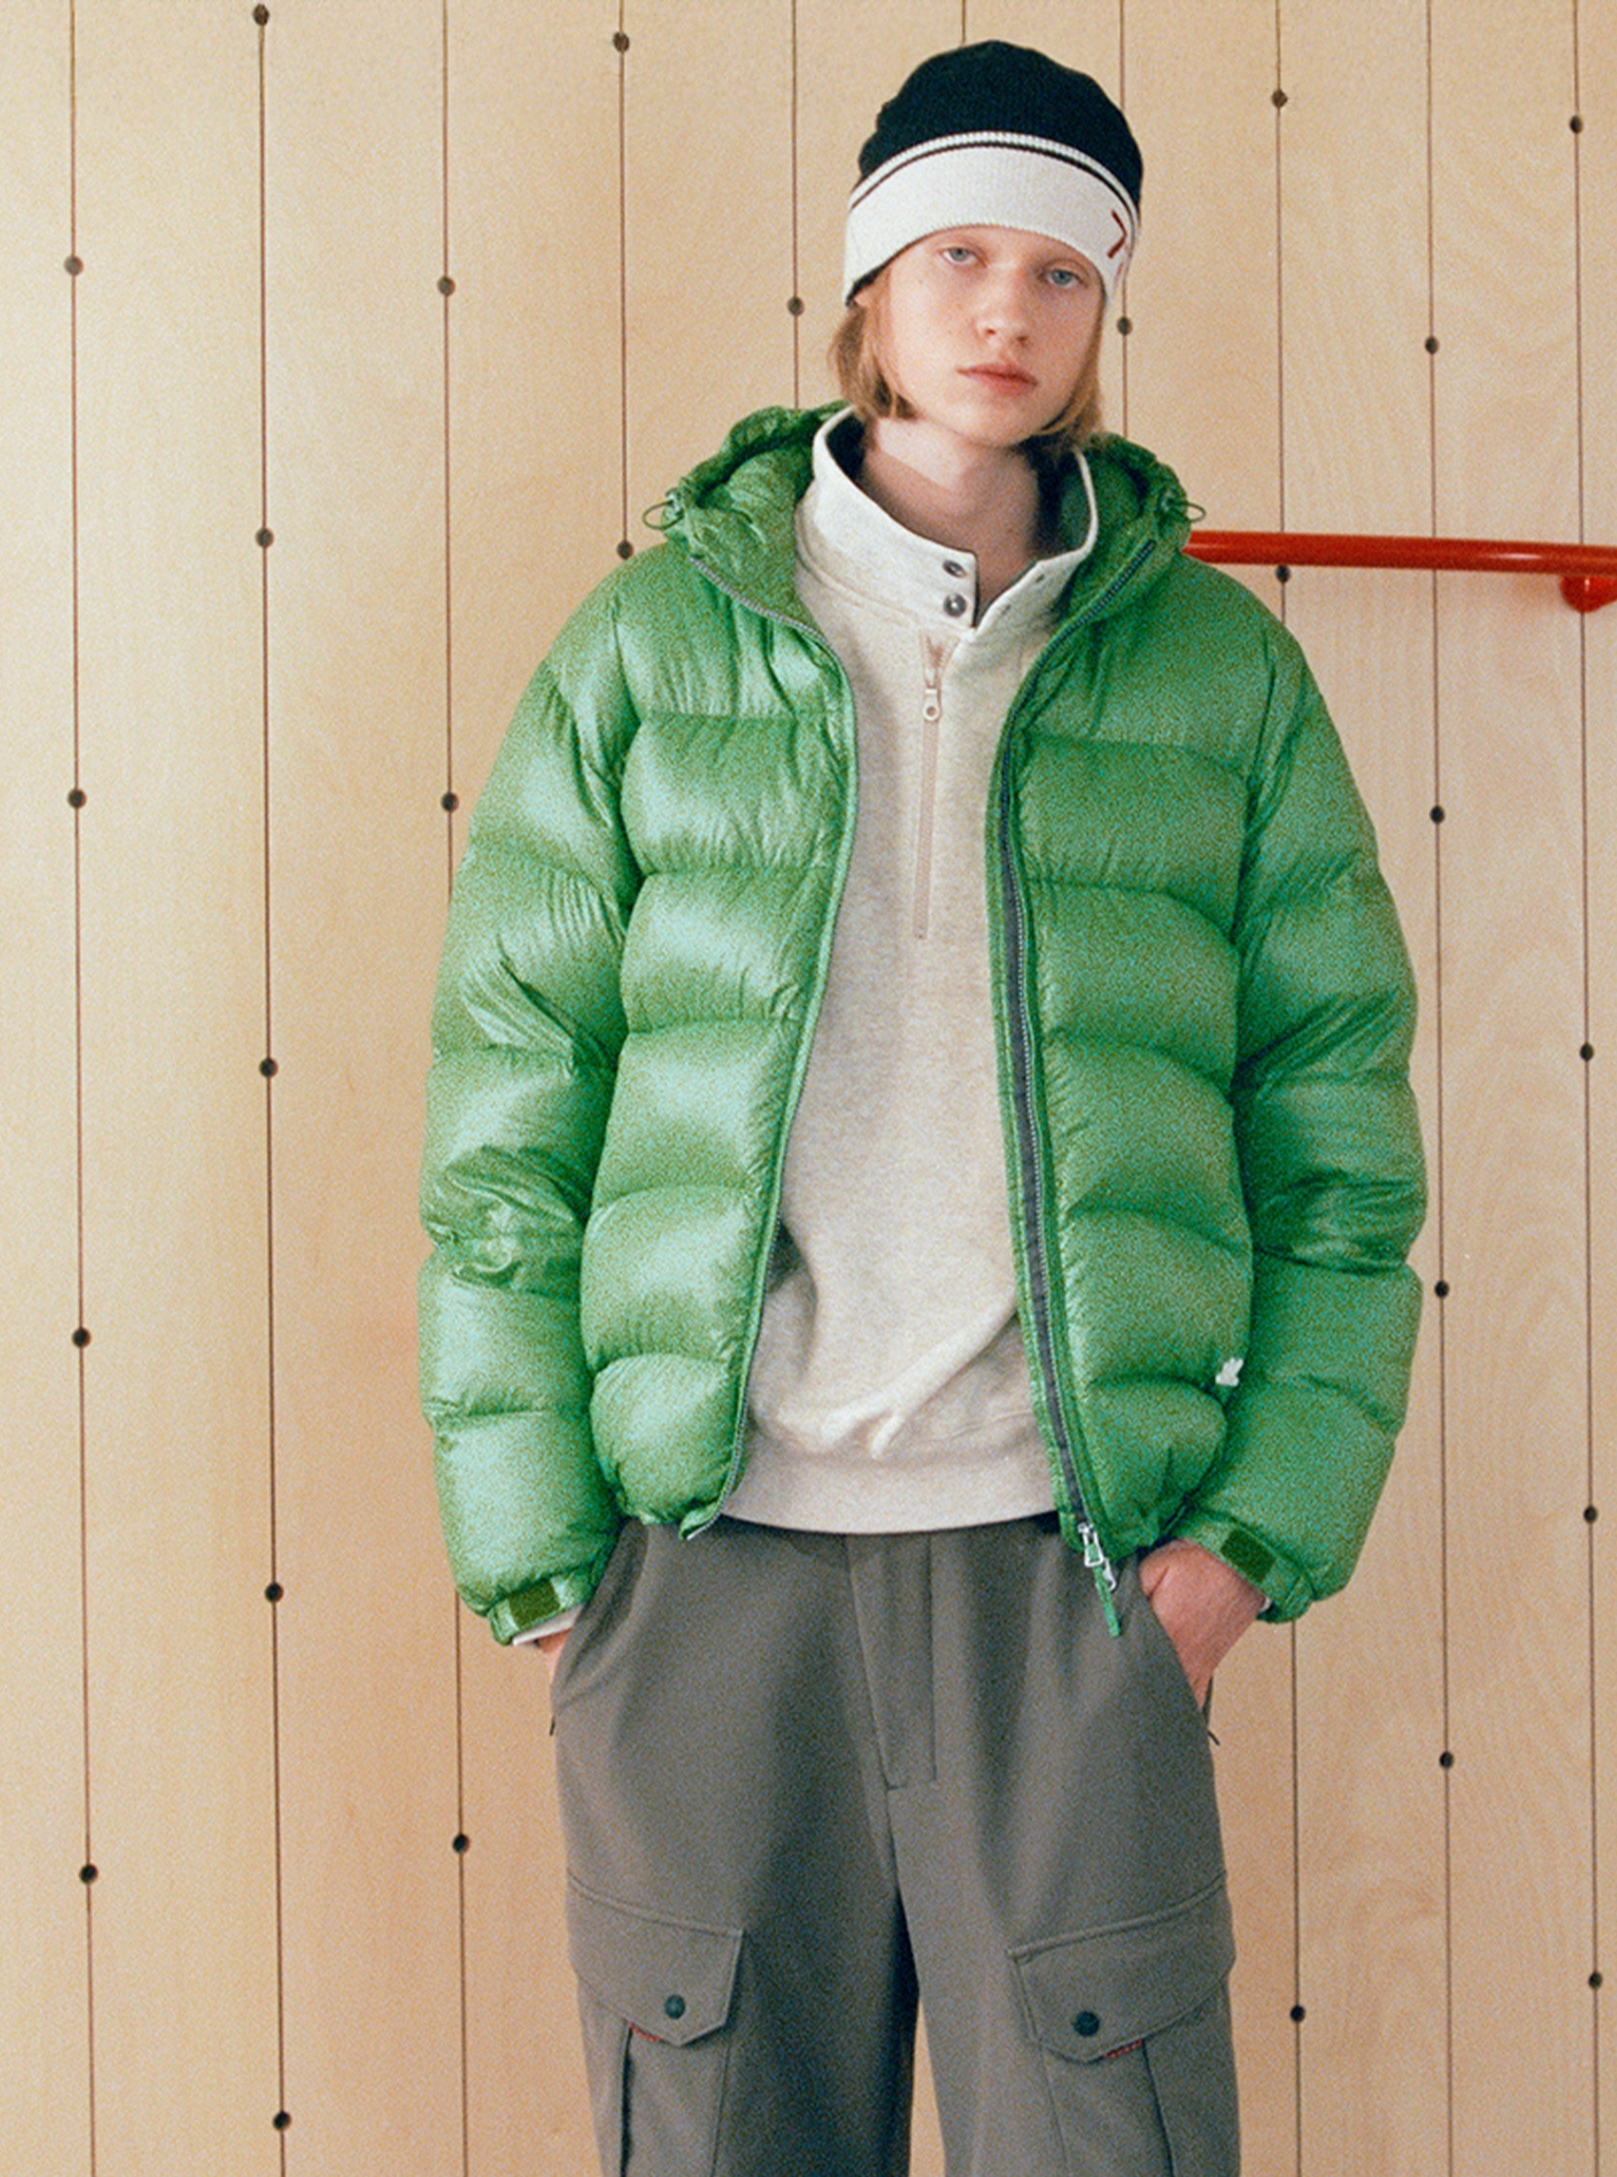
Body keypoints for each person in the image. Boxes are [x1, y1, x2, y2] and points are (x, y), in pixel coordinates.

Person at [418, 39, 1423, 2175]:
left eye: (1059, 272)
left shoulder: (1219, 676)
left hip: (1072, 1573)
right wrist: (545, 1571)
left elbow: (1338, 1149)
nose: (1004, 313)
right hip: (699, 1572)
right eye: (957, 255)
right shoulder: (644, 652)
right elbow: (510, 1131)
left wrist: (1246, 1551)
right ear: (867, 287)